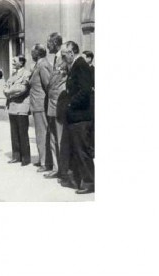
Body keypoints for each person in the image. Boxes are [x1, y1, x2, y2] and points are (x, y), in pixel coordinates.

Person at [60, 41, 95, 194]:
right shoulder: (76, 64)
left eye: (63, 55)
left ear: (71, 53)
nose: (62, 58)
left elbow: (85, 90)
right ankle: (80, 179)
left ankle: (89, 182)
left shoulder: (80, 65)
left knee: (82, 151)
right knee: (76, 150)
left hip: (80, 116)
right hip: (75, 116)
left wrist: (69, 104)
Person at [45, 32, 70, 181]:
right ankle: (56, 168)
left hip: (60, 103)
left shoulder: (64, 57)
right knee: (53, 137)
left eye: (48, 43)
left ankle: (64, 171)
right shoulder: (55, 58)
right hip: (52, 103)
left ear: (54, 43)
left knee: (61, 139)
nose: (47, 46)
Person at [3, 55, 32, 166]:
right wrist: (9, 91)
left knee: (22, 133)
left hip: (22, 107)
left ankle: (25, 158)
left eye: (14, 61)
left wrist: (9, 91)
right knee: (14, 133)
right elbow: (5, 87)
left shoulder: (27, 74)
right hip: (12, 107)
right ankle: (16, 156)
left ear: (21, 62)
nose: (12, 63)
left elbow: (21, 89)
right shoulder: (13, 75)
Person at [29, 43, 53, 173]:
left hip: (41, 104)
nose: (31, 55)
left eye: (32, 52)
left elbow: (48, 84)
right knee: (40, 133)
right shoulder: (39, 64)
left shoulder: (42, 65)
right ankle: (43, 159)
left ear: (37, 53)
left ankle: (45, 162)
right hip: (37, 104)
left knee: (42, 134)